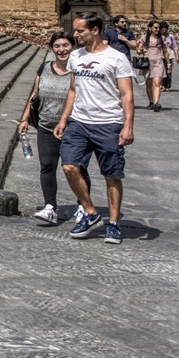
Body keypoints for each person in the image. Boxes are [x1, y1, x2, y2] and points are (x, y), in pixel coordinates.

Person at [55, 13, 135, 242]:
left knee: (111, 175)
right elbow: (73, 89)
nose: (76, 34)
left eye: (80, 31)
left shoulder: (116, 58)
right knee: (69, 166)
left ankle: (113, 223)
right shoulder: (76, 56)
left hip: (108, 123)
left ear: (95, 30)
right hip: (79, 122)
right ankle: (90, 212)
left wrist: (128, 126)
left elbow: (127, 94)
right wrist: (63, 119)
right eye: (76, 30)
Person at [15, 30, 75, 226]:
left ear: (73, 47)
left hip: (72, 127)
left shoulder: (78, 70)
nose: (61, 49)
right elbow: (34, 93)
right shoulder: (45, 68)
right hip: (46, 125)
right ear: (52, 49)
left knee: (74, 168)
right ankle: (50, 207)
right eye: (57, 46)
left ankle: (84, 205)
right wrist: (24, 119)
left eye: (65, 45)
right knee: (47, 166)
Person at [140, 22, 168, 111]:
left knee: (157, 83)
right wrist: (141, 50)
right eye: (155, 27)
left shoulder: (162, 38)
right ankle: (151, 102)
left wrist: (169, 63)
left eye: (158, 28)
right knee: (149, 84)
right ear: (150, 28)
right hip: (147, 63)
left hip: (158, 62)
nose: (157, 29)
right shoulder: (144, 38)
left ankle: (156, 103)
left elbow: (165, 51)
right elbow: (138, 49)